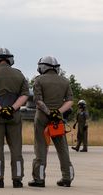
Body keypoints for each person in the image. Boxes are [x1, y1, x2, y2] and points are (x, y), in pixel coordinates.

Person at [0, 48, 29, 188]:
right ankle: (18, 179)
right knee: (16, 149)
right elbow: (25, 95)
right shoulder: (19, 75)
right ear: (10, 59)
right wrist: (12, 108)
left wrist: (0, 109)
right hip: (14, 116)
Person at [28, 56, 75, 188]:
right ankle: (67, 178)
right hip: (58, 119)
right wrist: (58, 112)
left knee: (41, 147)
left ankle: (39, 179)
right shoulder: (65, 81)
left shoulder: (39, 80)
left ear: (43, 66)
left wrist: (49, 112)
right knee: (62, 149)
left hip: (42, 117)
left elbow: (38, 100)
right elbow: (70, 101)